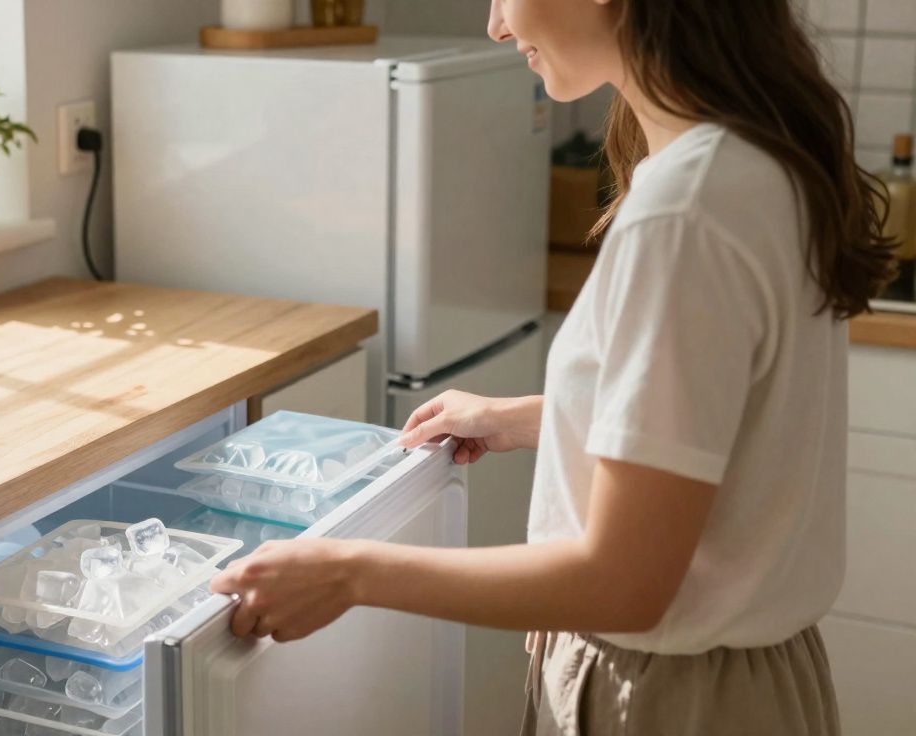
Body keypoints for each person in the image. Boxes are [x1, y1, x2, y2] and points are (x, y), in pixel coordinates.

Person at [210, 1, 898, 733]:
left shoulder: (686, 210)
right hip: (750, 680)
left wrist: (347, 572)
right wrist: (543, 417)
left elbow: (623, 583)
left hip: (674, 699)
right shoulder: (756, 161)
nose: (496, 25)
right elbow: (733, 423)